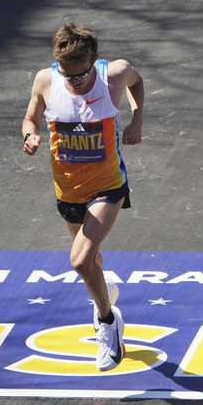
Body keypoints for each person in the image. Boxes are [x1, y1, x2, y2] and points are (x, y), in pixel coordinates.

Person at [21, 23, 144, 371]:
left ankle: (108, 322)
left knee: (79, 260)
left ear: (93, 61)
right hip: (67, 190)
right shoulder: (46, 80)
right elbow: (30, 119)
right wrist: (30, 136)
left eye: (80, 76)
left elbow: (137, 82)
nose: (73, 82)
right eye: (67, 75)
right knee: (92, 264)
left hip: (107, 186)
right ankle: (105, 292)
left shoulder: (114, 75)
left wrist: (137, 119)